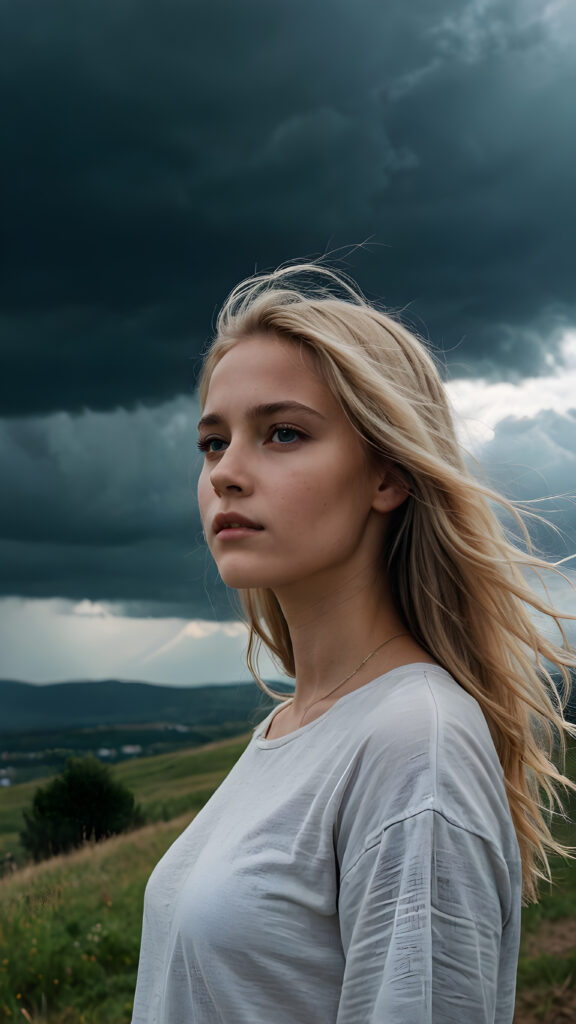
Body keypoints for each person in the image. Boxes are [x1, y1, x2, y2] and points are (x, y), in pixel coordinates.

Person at [131, 263, 576, 1023]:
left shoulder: (415, 741)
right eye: (212, 443)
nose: (227, 473)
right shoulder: (288, 727)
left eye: (283, 433)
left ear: (387, 475)